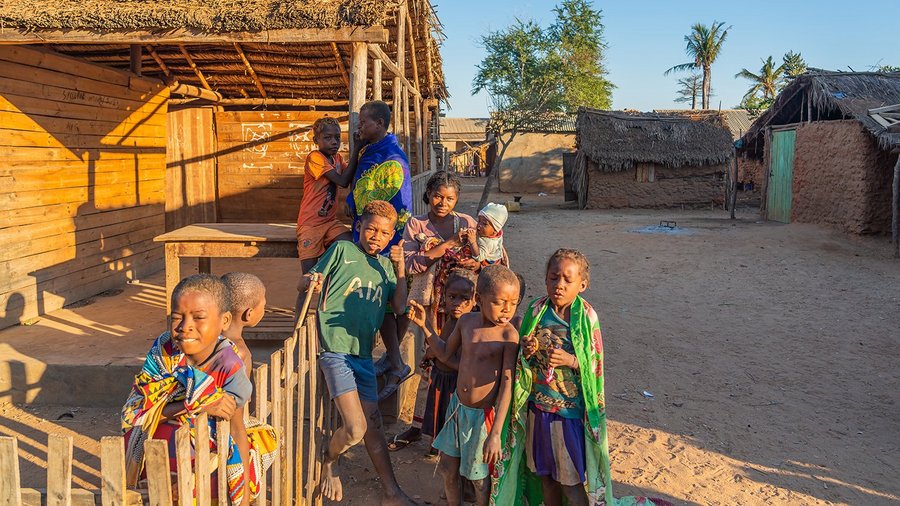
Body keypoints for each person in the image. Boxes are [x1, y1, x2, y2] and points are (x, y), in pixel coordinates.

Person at [297, 200, 414, 505]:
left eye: (384, 232)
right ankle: (329, 461)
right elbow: (303, 282)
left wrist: (401, 268)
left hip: (362, 355)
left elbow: (399, 307)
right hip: (335, 350)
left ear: (391, 237)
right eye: (371, 228)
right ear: (359, 226)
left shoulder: (387, 267)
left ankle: (392, 492)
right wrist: (312, 281)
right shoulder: (342, 251)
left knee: (372, 427)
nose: (376, 235)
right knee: (355, 429)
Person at [122, 274, 276, 505]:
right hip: (155, 462)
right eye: (177, 317)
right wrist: (195, 404)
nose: (185, 327)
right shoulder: (163, 352)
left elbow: (236, 430)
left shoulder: (229, 366)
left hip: (204, 471)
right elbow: (135, 414)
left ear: (224, 321)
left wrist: (242, 499)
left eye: (199, 317)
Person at [408, 264, 520, 506]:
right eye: (500, 302)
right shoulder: (466, 322)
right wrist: (425, 327)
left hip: (484, 418)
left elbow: (507, 385)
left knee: (479, 479)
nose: (507, 309)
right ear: (479, 299)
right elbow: (446, 355)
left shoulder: (508, 336)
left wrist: (496, 434)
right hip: (457, 409)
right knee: (449, 469)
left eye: (513, 302)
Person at [386, 171, 478, 447]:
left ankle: (455, 425)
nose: (443, 202)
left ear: (457, 199)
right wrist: (447, 246)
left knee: (459, 362)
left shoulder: (467, 223)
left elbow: (486, 257)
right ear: (428, 194)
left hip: (462, 305)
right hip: (429, 305)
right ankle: (421, 425)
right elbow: (412, 264)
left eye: (450, 198)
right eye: (438, 196)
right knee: (429, 363)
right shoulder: (416, 225)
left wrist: (474, 258)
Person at [346, 100, 413, 397]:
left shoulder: (390, 159)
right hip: (374, 237)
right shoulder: (371, 152)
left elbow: (395, 204)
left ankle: (396, 363)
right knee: (383, 304)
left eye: (364, 122)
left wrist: (387, 240)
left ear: (380, 125)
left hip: (382, 242)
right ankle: (393, 360)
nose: (359, 127)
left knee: (385, 304)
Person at [390, 268, 477, 453]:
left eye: (464, 299)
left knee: (449, 424)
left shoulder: (468, 325)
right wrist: (432, 353)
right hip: (440, 378)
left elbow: (451, 357)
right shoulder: (453, 322)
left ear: (475, 300)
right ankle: (435, 447)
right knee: (437, 418)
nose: (457, 304)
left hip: (453, 382)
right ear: (444, 296)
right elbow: (442, 346)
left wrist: (435, 353)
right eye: (452, 297)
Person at [296, 116, 355, 274]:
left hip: (330, 222)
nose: (334, 142)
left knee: (351, 245)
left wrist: (351, 197)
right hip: (310, 224)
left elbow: (351, 175)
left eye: (337, 137)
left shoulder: (337, 158)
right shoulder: (314, 158)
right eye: (328, 138)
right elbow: (342, 180)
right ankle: (305, 298)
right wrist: (357, 151)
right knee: (308, 279)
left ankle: (329, 280)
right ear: (316, 139)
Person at [221, 272, 267, 378]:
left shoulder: (207, 339)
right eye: (263, 306)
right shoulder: (240, 352)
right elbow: (242, 393)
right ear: (249, 314)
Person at [464, 202, 509, 267]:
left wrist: (472, 241)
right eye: (479, 221)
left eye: (484, 224)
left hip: (487, 265)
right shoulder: (489, 234)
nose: (479, 225)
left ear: (495, 230)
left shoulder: (489, 243)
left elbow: (478, 257)